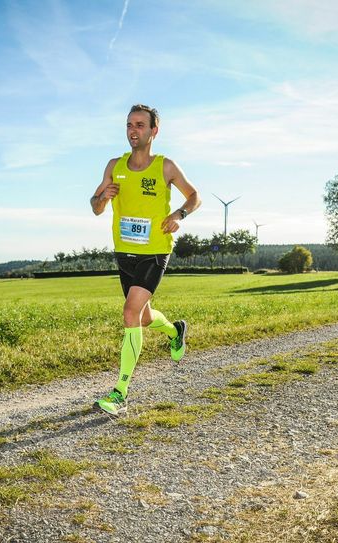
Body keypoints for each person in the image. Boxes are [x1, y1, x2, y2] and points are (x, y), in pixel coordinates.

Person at [89, 104, 201, 416]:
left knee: (129, 313)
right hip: (124, 253)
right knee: (145, 317)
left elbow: (194, 196)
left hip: (154, 252)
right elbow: (95, 206)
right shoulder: (114, 165)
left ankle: (120, 392)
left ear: (154, 131)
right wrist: (103, 198)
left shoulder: (165, 167)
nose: (132, 131)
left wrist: (179, 213)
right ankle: (175, 331)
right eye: (128, 125)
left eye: (139, 125)